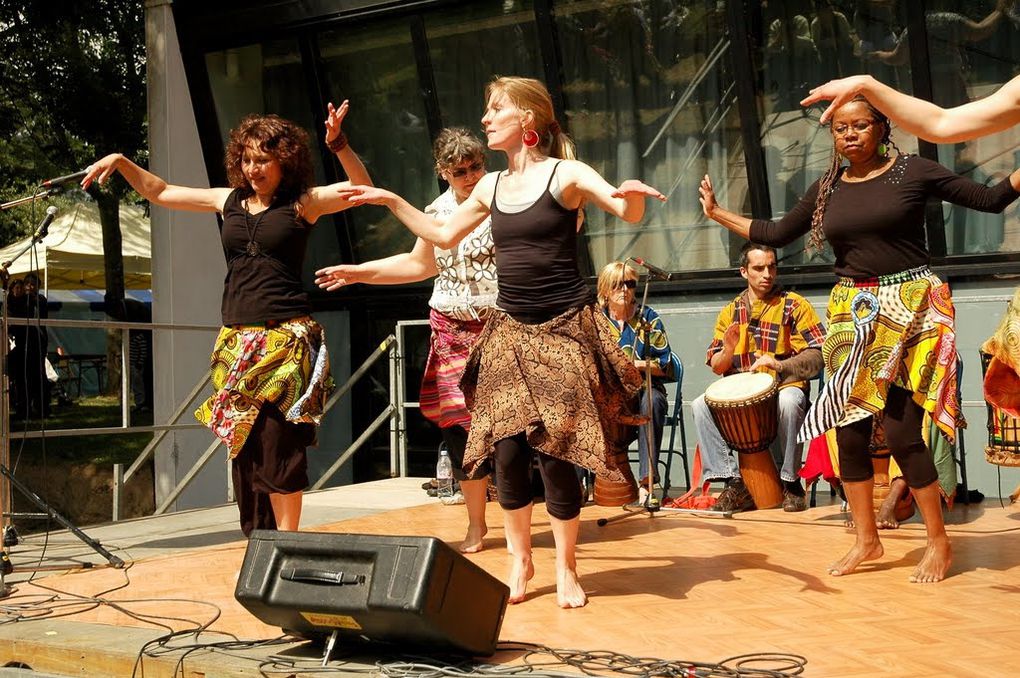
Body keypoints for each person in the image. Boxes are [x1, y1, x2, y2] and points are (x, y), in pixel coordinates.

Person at [337, 76, 664, 608]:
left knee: (555, 455)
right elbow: (441, 237)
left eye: (496, 109)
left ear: (527, 120)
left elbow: (623, 210)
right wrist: (390, 199)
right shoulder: (488, 187)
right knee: (507, 454)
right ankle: (521, 561)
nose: (486, 119)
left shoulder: (566, 174)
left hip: (562, 333)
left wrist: (629, 198)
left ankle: (566, 567)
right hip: (508, 333)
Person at [699, 95, 1020, 583]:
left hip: (913, 312)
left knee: (901, 432)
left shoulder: (913, 170)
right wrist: (718, 212)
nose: (849, 134)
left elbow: (990, 199)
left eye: (860, 125)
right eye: (840, 128)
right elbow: (776, 231)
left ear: (882, 127)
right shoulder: (828, 186)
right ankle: (866, 540)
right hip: (854, 315)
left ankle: (939, 542)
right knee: (846, 433)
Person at [82, 101, 371, 537]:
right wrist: (122, 162)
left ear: (284, 161)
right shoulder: (228, 200)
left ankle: (287, 544)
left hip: (286, 341)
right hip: (237, 343)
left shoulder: (303, 203)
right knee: (247, 449)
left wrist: (340, 144)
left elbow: (362, 188)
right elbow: (160, 192)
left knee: (280, 444)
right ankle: (259, 541)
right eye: (247, 159)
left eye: (263, 160)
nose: (253, 168)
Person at [315, 127, 497, 554]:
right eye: (459, 171)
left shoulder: (501, 197)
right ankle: (476, 524)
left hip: (501, 326)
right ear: (443, 172)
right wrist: (358, 272)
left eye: (475, 166)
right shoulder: (435, 211)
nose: (470, 176)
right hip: (453, 328)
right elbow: (418, 264)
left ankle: (529, 514)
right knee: (460, 431)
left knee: (515, 426)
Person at [692, 243, 825, 514]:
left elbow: (818, 354)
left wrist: (779, 364)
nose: (767, 273)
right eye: (759, 268)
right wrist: (728, 349)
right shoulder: (730, 312)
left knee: (790, 400)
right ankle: (732, 481)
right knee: (699, 404)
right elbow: (717, 365)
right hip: (743, 396)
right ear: (744, 271)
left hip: (783, 385)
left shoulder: (794, 305)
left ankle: (791, 482)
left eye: (772, 266)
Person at [595, 261, 678, 500]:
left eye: (630, 284)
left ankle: (646, 482)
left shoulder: (648, 318)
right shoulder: (595, 320)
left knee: (653, 401)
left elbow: (665, 364)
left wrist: (637, 364)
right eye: (617, 285)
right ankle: (578, 484)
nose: (624, 290)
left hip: (643, 389)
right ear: (605, 290)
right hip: (608, 393)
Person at [8, 273, 50, 418]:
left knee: (38, 377)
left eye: (33, 284)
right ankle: (23, 409)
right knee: (21, 378)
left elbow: (37, 307)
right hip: (22, 344)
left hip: (36, 344)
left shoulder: (40, 300)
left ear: (38, 287)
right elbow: (11, 303)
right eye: (27, 284)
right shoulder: (19, 299)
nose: (29, 287)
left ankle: (42, 409)